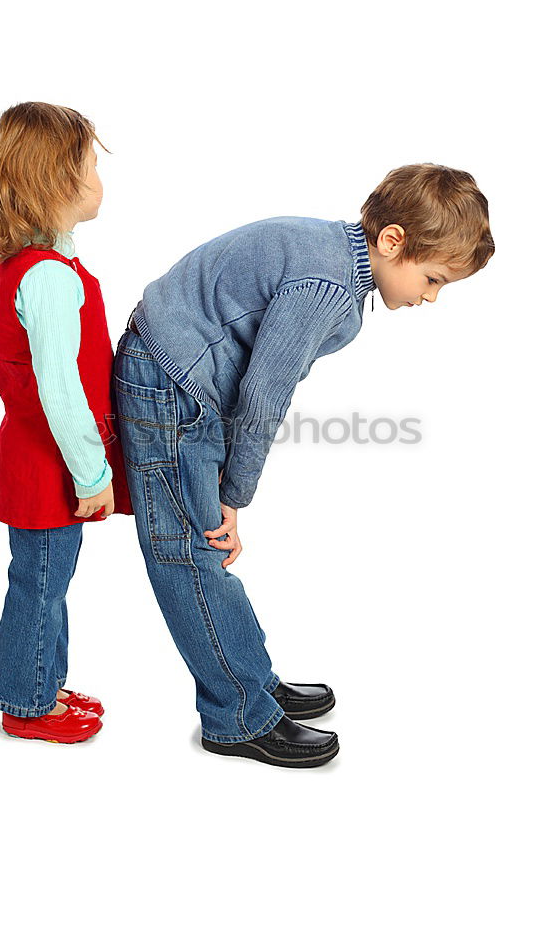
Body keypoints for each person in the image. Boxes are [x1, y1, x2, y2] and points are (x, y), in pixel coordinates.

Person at [115, 163, 494, 768]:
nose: (430, 297)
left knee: (201, 551)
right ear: (393, 241)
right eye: (432, 279)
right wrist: (234, 494)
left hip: (182, 372)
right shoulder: (329, 287)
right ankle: (236, 717)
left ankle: (251, 677)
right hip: (171, 379)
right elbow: (265, 394)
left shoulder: (331, 256)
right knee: (191, 551)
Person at [0, 102, 133, 744]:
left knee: (47, 578)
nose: (100, 178)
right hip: (52, 469)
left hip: (42, 463)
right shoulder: (47, 280)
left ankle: (38, 680)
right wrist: (93, 472)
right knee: (39, 584)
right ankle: (26, 703)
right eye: (91, 165)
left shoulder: (43, 266)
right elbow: (60, 390)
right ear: (58, 182)